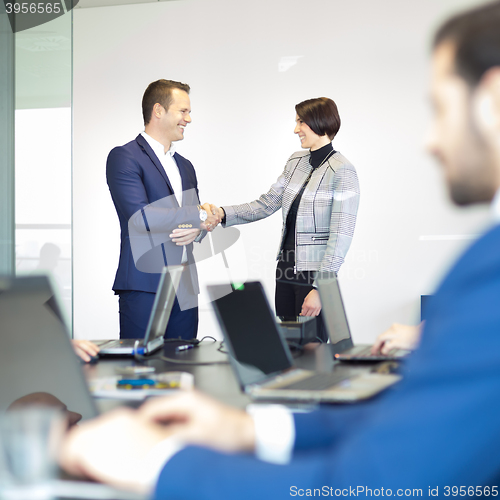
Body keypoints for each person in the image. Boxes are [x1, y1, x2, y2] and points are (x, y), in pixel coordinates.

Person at [60, 1, 500, 496]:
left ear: (490, 97)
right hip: (271, 270)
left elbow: (373, 476)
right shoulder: (291, 164)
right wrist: (252, 429)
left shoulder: (348, 174)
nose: (430, 139)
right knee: (281, 362)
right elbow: (267, 203)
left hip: (307, 275)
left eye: (440, 107)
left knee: (311, 355)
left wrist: (165, 467)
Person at [215, 98, 360, 341]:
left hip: (314, 274)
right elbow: (267, 203)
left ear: (319, 121)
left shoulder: (343, 170)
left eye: (301, 122)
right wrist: (222, 212)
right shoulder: (295, 162)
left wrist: (319, 288)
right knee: (287, 345)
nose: (296, 129)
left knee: (313, 350)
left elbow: (341, 235)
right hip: (285, 269)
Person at [106, 79, 219, 341]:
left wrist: (200, 228)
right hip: (145, 286)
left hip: (185, 288)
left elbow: (196, 222)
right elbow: (140, 217)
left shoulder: (185, 165)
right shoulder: (125, 156)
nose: (188, 119)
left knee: (185, 365)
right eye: (183, 111)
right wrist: (200, 216)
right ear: (158, 110)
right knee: (142, 370)